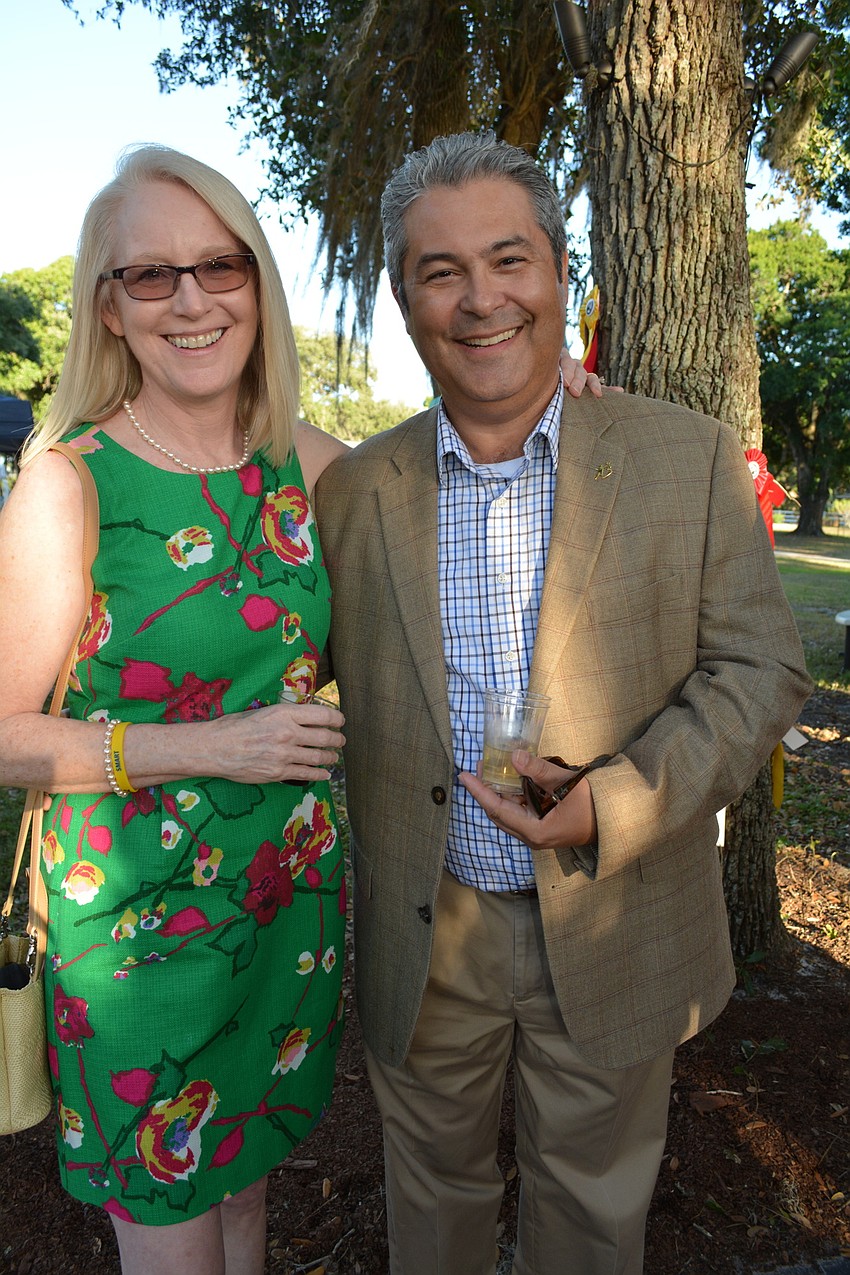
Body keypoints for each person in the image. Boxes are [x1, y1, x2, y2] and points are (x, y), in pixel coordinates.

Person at [315, 131, 812, 1275]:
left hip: (616, 913)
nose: (480, 299)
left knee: (593, 1220)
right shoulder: (352, 493)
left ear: (557, 274)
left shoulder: (684, 460)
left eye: (508, 259)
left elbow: (760, 670)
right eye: (440, 272)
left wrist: (618, 803)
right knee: (429, 1205)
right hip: (425, 929)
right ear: (403, 301)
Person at [0, 146, 352, 1275]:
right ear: (108, 306)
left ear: (260, 282)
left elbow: (479, 475)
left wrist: (564, 389)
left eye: (220, 265)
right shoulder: (72, 478)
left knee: (244, 1206)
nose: (192, 299)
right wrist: (220, 746)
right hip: (135, 944)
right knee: (171, 1238)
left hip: (286, 912)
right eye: (151, 275)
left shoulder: (317, 464)